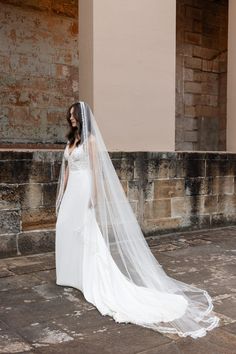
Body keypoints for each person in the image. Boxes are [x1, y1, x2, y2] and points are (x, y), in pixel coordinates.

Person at [55, 101, 220, 339]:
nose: (71, 119)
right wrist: (61, 194)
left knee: (85, 234)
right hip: (72, 192)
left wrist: (94, 197)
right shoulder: (71, 142)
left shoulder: (90, 142)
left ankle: (85, 277)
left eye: (74, 115)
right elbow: (68, 169)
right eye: (69, 116)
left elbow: (96, 170)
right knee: (65, 228)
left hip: (84, 191)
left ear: (82, 117)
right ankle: (69, 274)